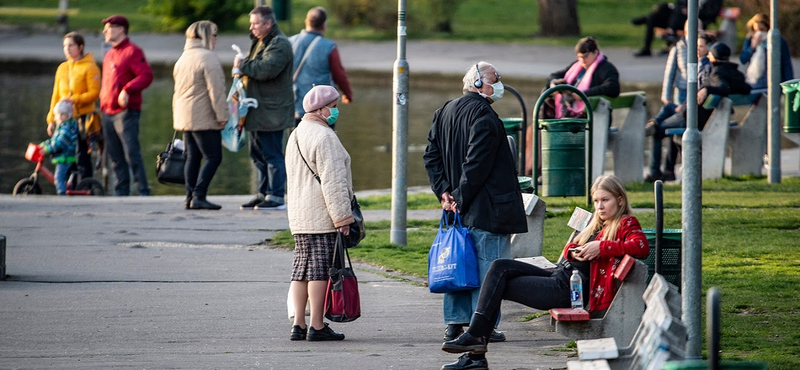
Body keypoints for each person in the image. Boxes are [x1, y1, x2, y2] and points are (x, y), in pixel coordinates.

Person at [439, 175, 649, 370]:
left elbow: (640, 246)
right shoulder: (598, 224)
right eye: (596, 201)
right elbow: (570, 250)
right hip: (560, 274)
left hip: (568, 290)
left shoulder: (625, 223)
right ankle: (476, 345)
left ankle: (475, 348)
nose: (600, 206)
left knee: (497, 284)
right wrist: (576, 253)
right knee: (499, 267)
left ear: (620, 200)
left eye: (606, 200)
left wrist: (601, 248)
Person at [423, 61, 528, 345]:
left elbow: (431, 156)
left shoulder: (444, 110)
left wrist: (444, 192)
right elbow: (476, 165)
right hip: (486, 207)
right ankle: (483, 326)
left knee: (458, 265)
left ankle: (455, 324)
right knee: (487, 269)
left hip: (458, 207)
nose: (500, 82)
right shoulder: (485, 116)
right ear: (478, 82)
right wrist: (458, 197)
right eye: (496, 77)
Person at [285, 85, 353, 342]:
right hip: (322, 213)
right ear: (321, 109)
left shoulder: (296, 134)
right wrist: (343, 217)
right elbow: (333, 182)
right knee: (319, 270)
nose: (336, 111)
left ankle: (298, 324)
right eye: (334, 107)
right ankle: (317, 324)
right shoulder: (325, 137)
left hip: (300, 214)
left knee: (300, 269)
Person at [645, 42, 751, 182]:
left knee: (658, 131)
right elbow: (746, 89)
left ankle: (654, 172)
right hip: (693, 112)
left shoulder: (717, 72)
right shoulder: (735, 73)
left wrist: (707, 89)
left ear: (713, 58)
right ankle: (655, 122)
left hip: (691, 117)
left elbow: (723, 87)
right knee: (668, 108)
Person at [525, 36, 620, 176]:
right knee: (534, 130)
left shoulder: (606, 68)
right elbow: (554, 75)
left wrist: (582, 94)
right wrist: (554, 83)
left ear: (595, 52)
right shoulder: (577, 66)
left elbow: (613, 87)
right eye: (579, 57)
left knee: (545, 130)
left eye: (585, 57)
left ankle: (545, 173)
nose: (582, 61)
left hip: (588, 120)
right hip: (569, 117)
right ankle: (537, 172)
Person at [234, 6, 295, 211]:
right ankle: (263, 193)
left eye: (255, 23)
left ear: (268, 24)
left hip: (272, 111)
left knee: (272, 154)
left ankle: (276, 196)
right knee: (257, 153)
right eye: (251, 23)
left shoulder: (280, 44)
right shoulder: (260, 41)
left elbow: (267, 69)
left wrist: (242, 65)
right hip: (259, 108)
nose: (251, 27)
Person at [172, 21, 228, 210]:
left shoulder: (183, 57)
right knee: (214, 157)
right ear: (205, 36)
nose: (216, 38)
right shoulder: (208, 58)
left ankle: (189, 196)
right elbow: (217, 91)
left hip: (184, 116)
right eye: (214, 34)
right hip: (203, 115)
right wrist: (222, 115)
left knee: (192, 156)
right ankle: (199, 194)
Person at [100, 15, 154, 196]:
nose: (104, 32)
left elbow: (146, 76)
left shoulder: (133, 51)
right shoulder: (109, 54)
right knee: (115, 157)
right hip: (107, 112)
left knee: (131, 154)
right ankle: (121, 193)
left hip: (125, 113)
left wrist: (127, 90)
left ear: (120, 29)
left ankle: (143, 191)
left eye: (108, 28)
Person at [46, 31, 101, 181]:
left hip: (83, 116)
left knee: (82, 152)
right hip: (64, 118)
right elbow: (56, 95)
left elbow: (94, 93)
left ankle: (85, 183)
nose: (67, 49)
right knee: (65, 152)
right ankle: (67, 183)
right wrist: (51, 119)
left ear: (80, 47)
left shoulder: (90, 67)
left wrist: (74, 99)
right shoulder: (62, 68)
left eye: (71, 45)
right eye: (65, 46)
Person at [288, 6, 354, 124]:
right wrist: (347, 94)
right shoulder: (329, 47)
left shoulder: (290, 42)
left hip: (295, 105)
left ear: (306, 22)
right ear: (324, 25)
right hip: (322, 109)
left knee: (298, 140)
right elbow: (339, 74)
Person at [631, 0, 722, 57]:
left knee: (676, 13)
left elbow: (711, 13)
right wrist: (684, 9)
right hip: (679, 18)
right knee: (658, 14)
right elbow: (680, 3)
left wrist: (693, 12)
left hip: (697, 21)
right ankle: (647, 47)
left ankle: (670, 32)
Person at [739, 13, 794, 90]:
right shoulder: (750, 40)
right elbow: (743, 59)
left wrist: (789, 84)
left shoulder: (779, 41)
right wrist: (752, 47)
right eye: (756, 30)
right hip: (754, 83)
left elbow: (786, 63)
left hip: (774, 83)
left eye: (762, 30)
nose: (759, 33)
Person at [39, 101, 79, 195]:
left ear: (68, 115)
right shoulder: (62, 126)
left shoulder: (66, 128)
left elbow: (60, 142)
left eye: (62, 115)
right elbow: (54, 139)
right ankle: (65, 190)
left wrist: (48, 149)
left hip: (66, 156)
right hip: (64, 155)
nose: (59, 117)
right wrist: (44, 144)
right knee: (64, 178)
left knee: (59, 177)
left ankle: (61, 194)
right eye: (58, 115)